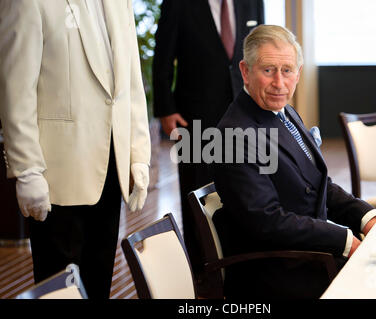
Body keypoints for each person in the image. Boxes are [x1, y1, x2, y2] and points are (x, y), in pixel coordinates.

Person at [210, 25, 376, 298]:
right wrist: (346, 241)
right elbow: (268, 222)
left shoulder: (283, 111)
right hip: (278, 274)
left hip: (309, 254)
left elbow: (317, 184)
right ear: (245, 71)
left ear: (298, 73)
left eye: (287, 70)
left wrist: (366, 218)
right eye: (268, 71)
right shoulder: (233, 135)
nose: (279, 82)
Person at [0, 0, 151, 299]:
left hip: (111, 169)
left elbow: (132, 84)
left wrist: (138, 155)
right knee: (60, 287)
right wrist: (27, 169)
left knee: (99, 281)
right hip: (57, 176)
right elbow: (15, 92)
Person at [152, 0, 265, 280]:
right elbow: (162, 57)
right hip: (193, 116)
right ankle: (202, 270)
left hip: (244, 109)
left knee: (243, 186)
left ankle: (240, 262)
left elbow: (263, 51)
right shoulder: (178, 4)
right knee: (196, 190)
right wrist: (166, 109)